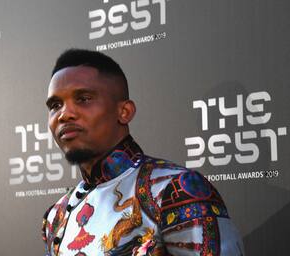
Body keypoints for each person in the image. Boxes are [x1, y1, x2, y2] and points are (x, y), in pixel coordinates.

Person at [42, 49, 244, 256]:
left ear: (124, 112)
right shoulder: (56, 216)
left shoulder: (175, 190)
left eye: (83, 99)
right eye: (55, 105)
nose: (64, 114)